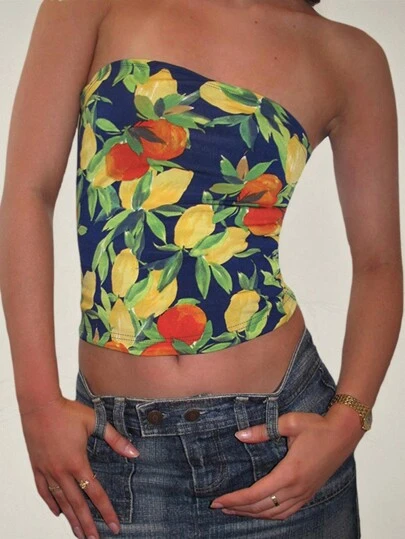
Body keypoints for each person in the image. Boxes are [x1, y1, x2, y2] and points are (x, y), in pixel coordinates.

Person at [0, 0, 402, 538]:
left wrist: (347, 422)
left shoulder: (350, 57)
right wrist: (36, 405)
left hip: (280, 444)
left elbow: (379, 264)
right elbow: (27, 195)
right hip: (122, 454)